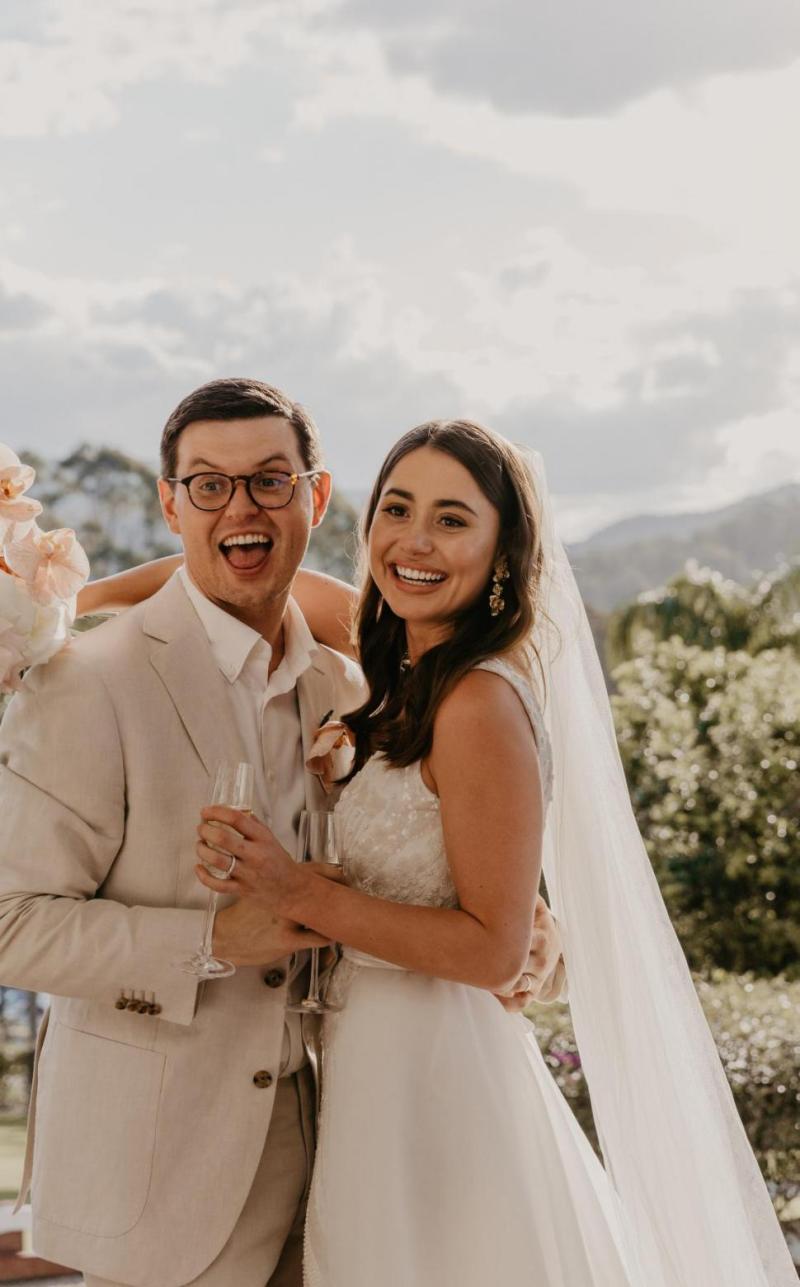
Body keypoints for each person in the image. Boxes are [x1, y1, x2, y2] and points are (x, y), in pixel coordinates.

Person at [194, 420, 798, 1286]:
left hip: (440, 1079)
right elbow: (250, 587)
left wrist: (297, 890)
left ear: (504, 551)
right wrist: (57, 605)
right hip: (376, 1068)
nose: (415, 539)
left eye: (451, 518)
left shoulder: (477, 702)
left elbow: (493, 948)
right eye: (397, 508)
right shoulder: (407, 666)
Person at [0, 380, 563, 1287]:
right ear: (170, 502)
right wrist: (215, 940)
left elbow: (439, 864)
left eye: (270, 481)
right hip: (159, 1188)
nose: (242, 508)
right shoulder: (86, 685)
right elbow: (10, 923)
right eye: (208, 486)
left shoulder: (351, 690)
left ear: (316, 497)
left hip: (348, 1157)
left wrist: (532, 924)